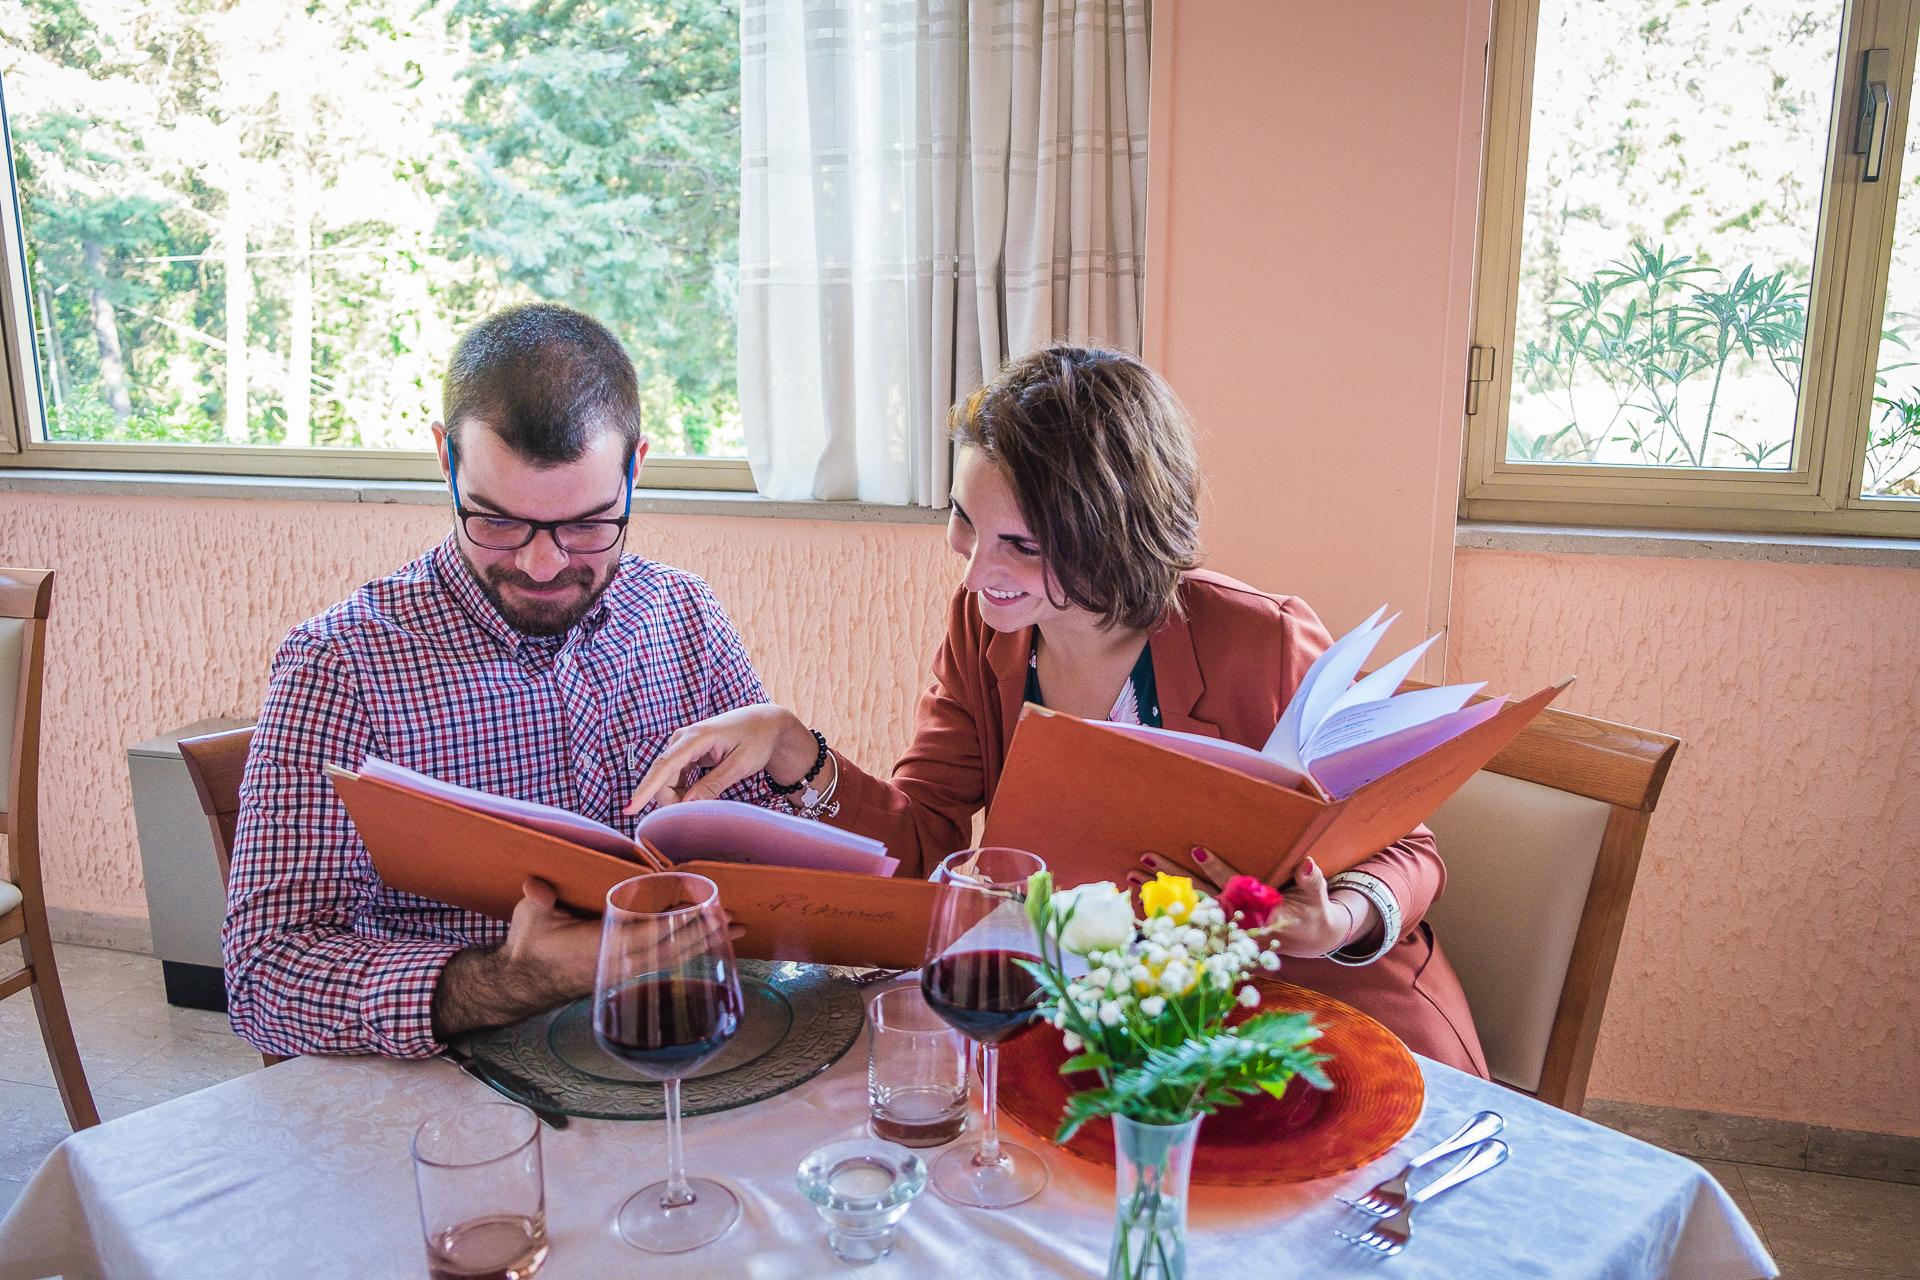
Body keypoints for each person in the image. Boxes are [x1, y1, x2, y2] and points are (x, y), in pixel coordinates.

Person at [624, 345, 1488, 1074]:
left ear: (1113, 530)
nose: (974, 571)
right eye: (965, 523)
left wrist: (1335, 916)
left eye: (1021, 546)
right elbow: (923, 838)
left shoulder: (1255, 639)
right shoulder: (986, 628)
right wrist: (791, 747)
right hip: (1130, 1022)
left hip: (1323, 1016)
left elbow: (1407, 841)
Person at [223, 303, 783, 1059]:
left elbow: (773, 865)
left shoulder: (682, 613)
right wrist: (511, 979)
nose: (542, 565)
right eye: (496, 521)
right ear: (444, 459)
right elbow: (264, 979)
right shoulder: (342, 665)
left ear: (637, 468)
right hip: (469, 1107)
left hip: (688, 1053)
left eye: (589, 525)